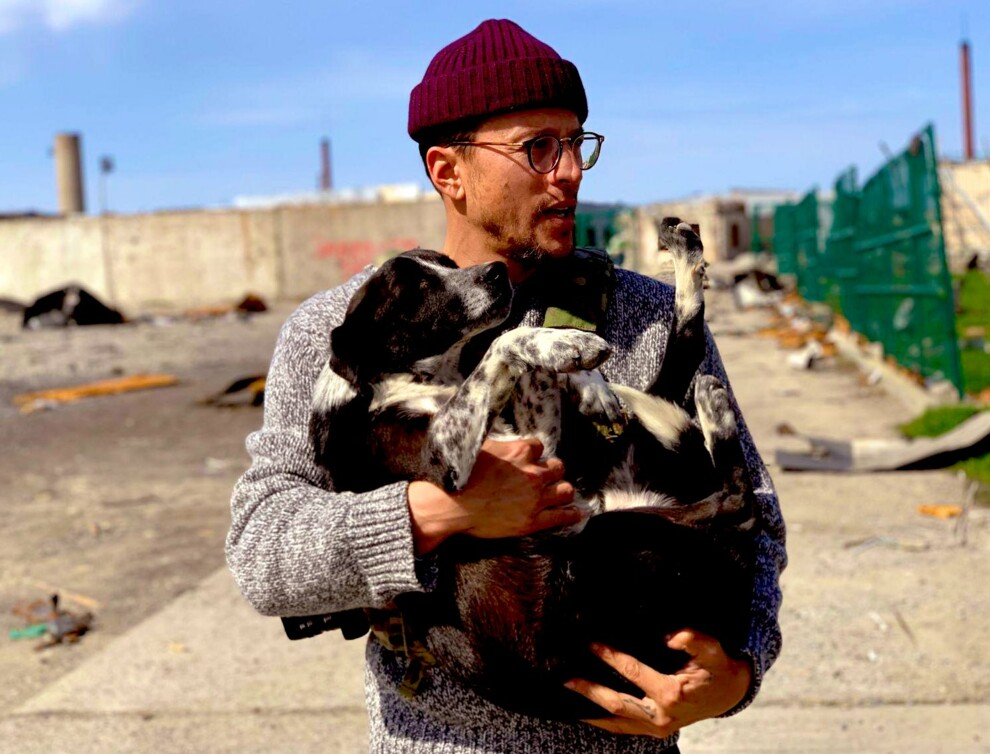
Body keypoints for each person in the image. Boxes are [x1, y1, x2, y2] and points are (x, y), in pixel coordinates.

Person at [226, 18, 786, 753]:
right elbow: (263, 552)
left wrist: (737, 675)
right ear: (447, 171)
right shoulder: (345, 332)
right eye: (537, 148)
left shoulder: (648, 316)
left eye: (577, 143)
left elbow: (757, 521)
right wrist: (437, 512)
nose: (570, 172)